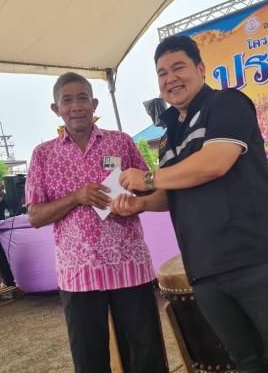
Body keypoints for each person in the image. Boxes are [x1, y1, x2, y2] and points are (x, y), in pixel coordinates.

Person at [111, 36, 268, 373]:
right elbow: (173, 191)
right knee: (246, 362)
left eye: (179, 67)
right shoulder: (168, 135)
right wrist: (141, 204)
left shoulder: (227, 103)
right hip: (204, 270)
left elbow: (215, 162)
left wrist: (149, 178)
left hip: (255, 259)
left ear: (201, 69)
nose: (171, 78)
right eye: (162, 73)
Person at [25, 72, 168, 373]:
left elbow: (149, 190)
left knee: (146, 353)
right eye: (67, 100)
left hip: (129, 265)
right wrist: (76, 197)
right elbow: (35, 216)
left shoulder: (121, 142)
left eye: (82, 98)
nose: (76, 106)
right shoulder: (43, 155)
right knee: (89, 358)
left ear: (94, 103)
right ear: (56, 109)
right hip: (78, 273)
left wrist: (131, 203)